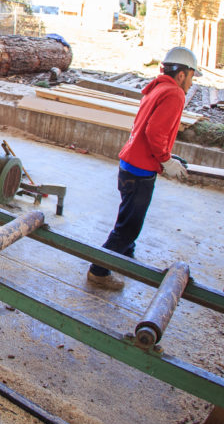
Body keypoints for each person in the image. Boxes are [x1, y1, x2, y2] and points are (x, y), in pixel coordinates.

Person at [86, 47, 200, 291]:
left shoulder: (157, 87)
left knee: (127, 217)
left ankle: (125, 257)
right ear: (181, 74)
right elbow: (155, 132)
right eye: (191, 76)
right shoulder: (174, 94)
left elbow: (149, 129)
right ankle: (98, 271)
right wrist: (165, 160)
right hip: (140, 171)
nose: (191, 82)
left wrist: (168, 156)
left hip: (130, 165)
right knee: (128, 227)